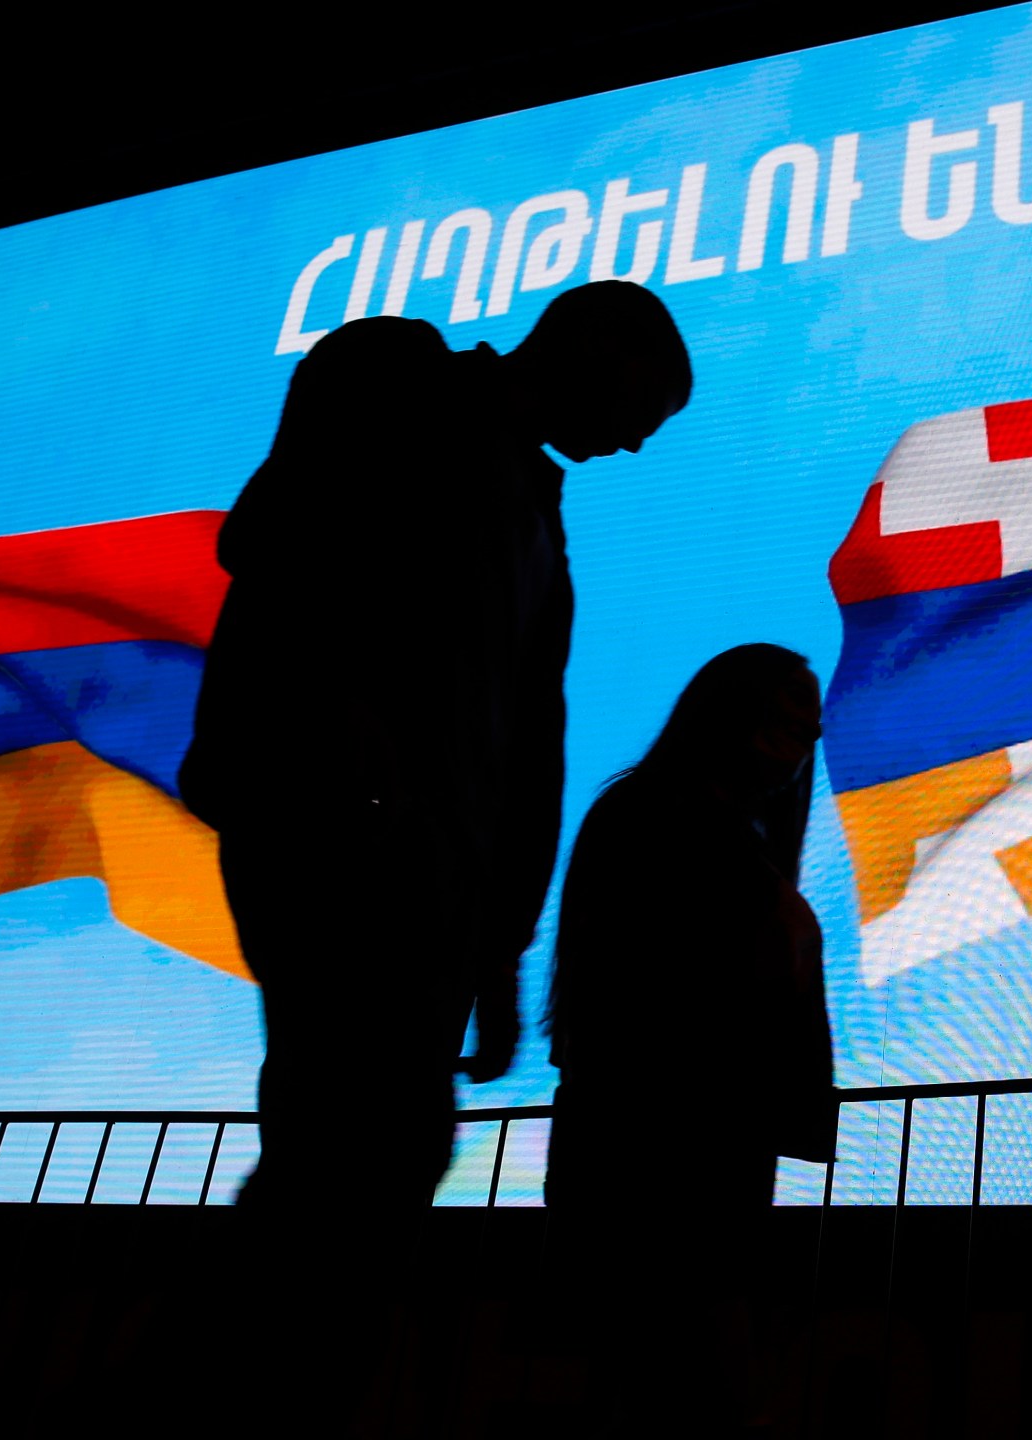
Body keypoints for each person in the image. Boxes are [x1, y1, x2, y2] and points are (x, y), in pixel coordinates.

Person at [179, 279, 693, 1221]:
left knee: (382, 1146)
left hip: (434, 880)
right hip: (328, 819)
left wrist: (497, 948)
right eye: (643, 409)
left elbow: (530, 741)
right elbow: (274, 536)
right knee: (351, 1141)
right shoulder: (393, 369)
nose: (633, 442)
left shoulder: (544, 521)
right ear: (597, 342)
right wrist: (344, 740)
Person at [544, 643, 837, 1431]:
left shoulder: (691, 827)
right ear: (727, 713)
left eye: (807, 731)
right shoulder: (657, 819)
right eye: (778, 721)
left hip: (700, 1158)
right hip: (659, 1153)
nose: (794, 746)